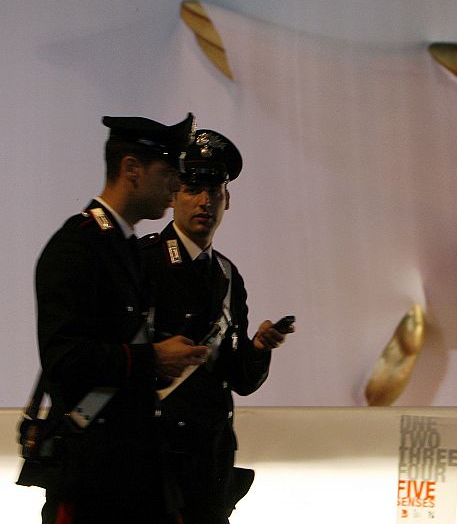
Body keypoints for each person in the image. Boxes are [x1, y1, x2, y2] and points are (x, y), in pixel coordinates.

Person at [21, 114, 210, 524]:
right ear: (131, 169)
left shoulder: (124, 247)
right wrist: (151, 358)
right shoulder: (77, 246)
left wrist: (164, 362)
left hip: (134, 473)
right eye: (168, 172)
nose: (176, 186)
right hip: (93, 482)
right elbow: (65, 360)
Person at [140, 129, 292, 524]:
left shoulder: (227, 275)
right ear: (173, 195)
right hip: (152, 463)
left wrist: (258, 348)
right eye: (193, 188)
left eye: (214, 190)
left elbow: (238, 379)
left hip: (209, 465)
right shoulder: (141, 262)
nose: (204, 201)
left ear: (228, 199)